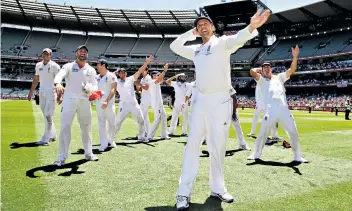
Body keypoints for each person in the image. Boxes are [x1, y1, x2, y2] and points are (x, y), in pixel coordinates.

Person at [170, 9, 270, 210]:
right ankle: (183, 193)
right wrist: (191, 34)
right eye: (199, 25)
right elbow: (174, 45)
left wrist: (252, 26)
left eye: (206, 23)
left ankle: (217, 187)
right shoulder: (196, 50)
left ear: (213, 27)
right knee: (192, 145)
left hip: (221, 100)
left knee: (218, 145)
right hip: (200, 100)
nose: (202, 26)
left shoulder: (223, 43)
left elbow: (240, 38)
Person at [247, 45, 308, 163]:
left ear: (271, 69)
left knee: (293, 132)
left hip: (284, 110)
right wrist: (259, 69)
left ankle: (298, 156)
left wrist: (295, 57)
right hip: (270, 111)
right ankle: (255, 154)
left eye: (268, 67)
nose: (266, 69)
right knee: (262, 133)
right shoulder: (261, 80)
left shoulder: (279, 77)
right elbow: (251, 72)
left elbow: (292, 70)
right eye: (264, 67)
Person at [53, 45, 98, 166]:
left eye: (84, 51)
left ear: (87, 55)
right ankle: (61, 157)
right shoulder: (68, 66)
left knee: (87, 127)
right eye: (80, 51)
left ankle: (88, 153)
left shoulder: (91, 70)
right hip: (69, 100)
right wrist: (57, 83)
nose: (82, 53)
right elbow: (60, 75)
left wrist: (94, 92)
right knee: (65, 127)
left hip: (84, 101)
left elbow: (95, 85)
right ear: (76, 53)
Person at [113, 56, 152, 142]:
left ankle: (141, 136)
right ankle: (111, 138)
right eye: (120, 73)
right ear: (118, 74)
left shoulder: (131, 79)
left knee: (141, 119)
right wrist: (116, 71)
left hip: (134, 103)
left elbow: (139, 71)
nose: (122, 74)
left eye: (124, 72)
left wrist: (146, 63)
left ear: (126, 73)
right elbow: (110, 75)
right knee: (118, 122)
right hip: (123, 104)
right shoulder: (116, 81)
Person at [28, 48, 61, 145]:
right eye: (44, 54)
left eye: (48, 54)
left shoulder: (55, 66)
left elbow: (59, 81)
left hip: (51, 92)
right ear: (42, 55)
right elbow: (36, 79)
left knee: (48, 115)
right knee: (45, 115)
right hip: (41, 91)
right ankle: (53, 134)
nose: (46, 55)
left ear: (50, 55)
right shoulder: (38, 65)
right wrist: (31, 92)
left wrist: (60, 95)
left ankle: (45, 139)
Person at [96, 59, 118, 152]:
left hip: (108, 104)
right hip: (98, 103)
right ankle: (103, 144)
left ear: (103, 65)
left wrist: (106, 101)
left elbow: (113, 90)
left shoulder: (111, 76)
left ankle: (111, 141)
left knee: (112, 123)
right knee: (101, 124)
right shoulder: (96, 77)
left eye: (98, 65)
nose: (97, 67)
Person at [146, 64, 171, 141]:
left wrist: (162, 74)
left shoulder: (155, 82)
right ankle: (149, 136)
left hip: (159, 103)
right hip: (156, 103)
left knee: (164, 117)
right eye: (157, 75)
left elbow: (160, 80)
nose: (159, 76)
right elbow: (158, 80)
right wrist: (164, 71)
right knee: (158, 119)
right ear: (153, 76)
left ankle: (164, 135)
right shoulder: (152, 81)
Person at [139, 66, 153, 137]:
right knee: (145, 117)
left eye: (144, 70)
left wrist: (139, 84)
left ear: (147, 71)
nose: (142, 71)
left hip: (147, 99)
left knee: (143, 116)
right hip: (143, 98)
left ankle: (144, 132)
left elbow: (146, 87)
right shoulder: (142, 78)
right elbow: (141, 89)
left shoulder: (148, 77)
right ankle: (148, 132)